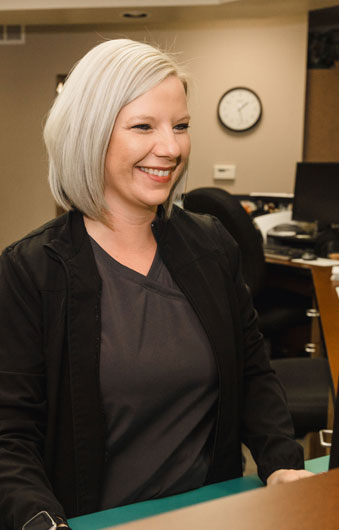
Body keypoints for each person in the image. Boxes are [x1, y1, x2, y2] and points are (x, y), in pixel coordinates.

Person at [0, 39, 311, 530]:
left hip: (214, 515)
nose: (170, 148)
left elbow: (253, 374)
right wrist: (41, 520)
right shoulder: (31, 270)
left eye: (181, 126)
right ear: (91, 135)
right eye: (144, 126)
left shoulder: (211, 245)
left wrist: (281, 464)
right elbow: (10, 436)